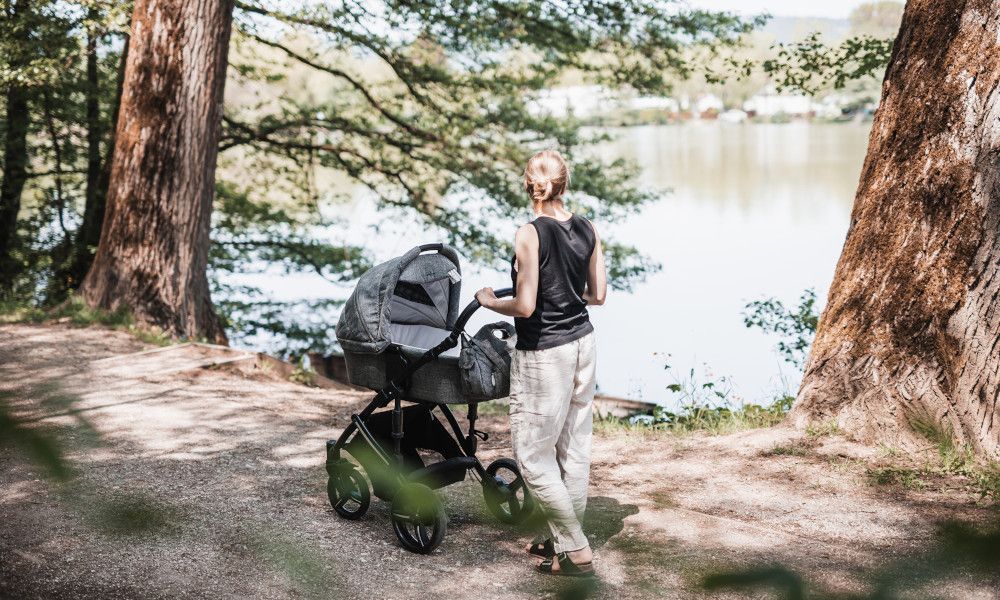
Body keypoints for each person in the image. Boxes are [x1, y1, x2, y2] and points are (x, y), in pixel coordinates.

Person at [475, 149, 607, 577]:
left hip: (545, 352)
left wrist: (492, 302)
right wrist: (567, 296)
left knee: (533, 454)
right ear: (563, 183)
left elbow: (527, 306)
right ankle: (561, 542)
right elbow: (598, 295)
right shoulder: (587, 227)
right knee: (573, 447)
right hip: (584, 343)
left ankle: (576, 549)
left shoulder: (529, 233)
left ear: (529, 184)